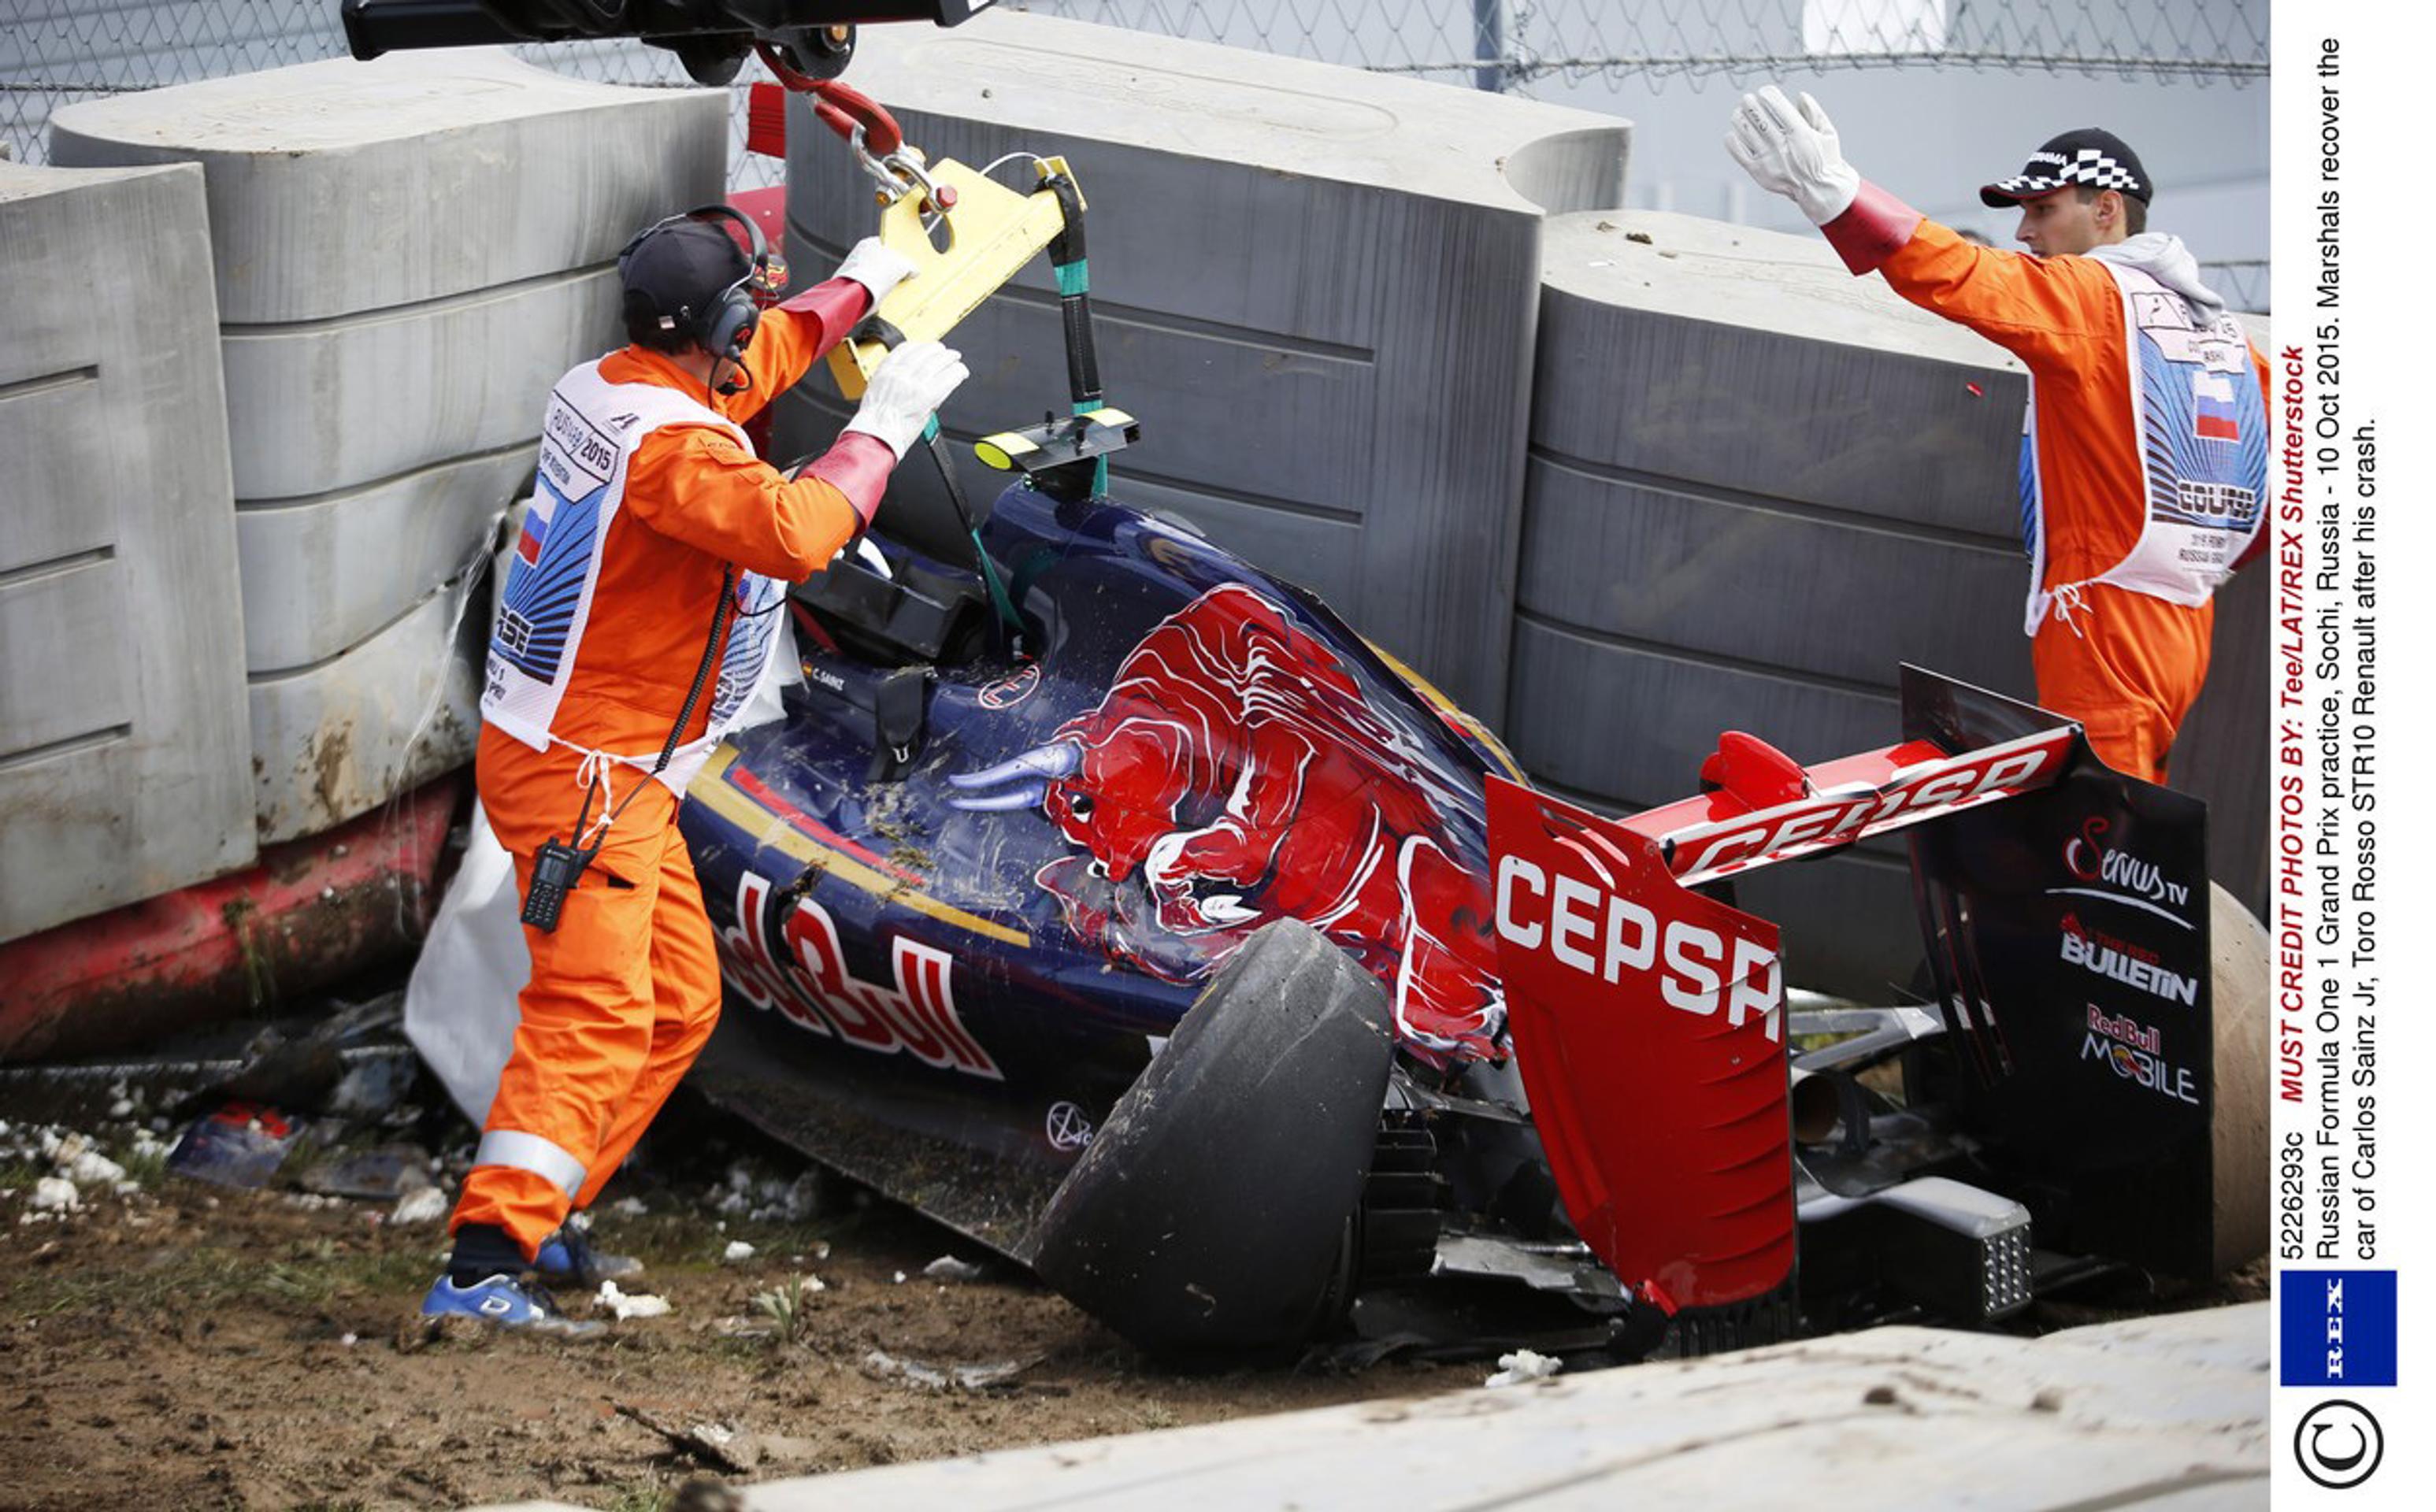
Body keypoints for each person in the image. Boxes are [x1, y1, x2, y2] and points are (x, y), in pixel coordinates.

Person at [421, 208, 969, 1332]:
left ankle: (543, 1212)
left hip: (600, 768)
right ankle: (482, 1266)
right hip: (589, 781)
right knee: (598, 1011)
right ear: (714, 319)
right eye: (747, 310)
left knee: (676, 1001)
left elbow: (756, 361)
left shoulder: (616, 388)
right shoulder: (674, 451)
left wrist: (861, 282)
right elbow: (794, 531)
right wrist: (883, 427)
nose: (757, 329)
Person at [1726, 89, 2267, 784]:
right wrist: (2199, 554)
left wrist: (1833, 191)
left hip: (2100, 613)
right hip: (2185, 616)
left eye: (2042, 210)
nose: (2023, 233)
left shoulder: (2092, 297)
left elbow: (1960, 274)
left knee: (2104, 835)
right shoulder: (2222, 329)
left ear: (2107, 210)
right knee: (2133, 812)